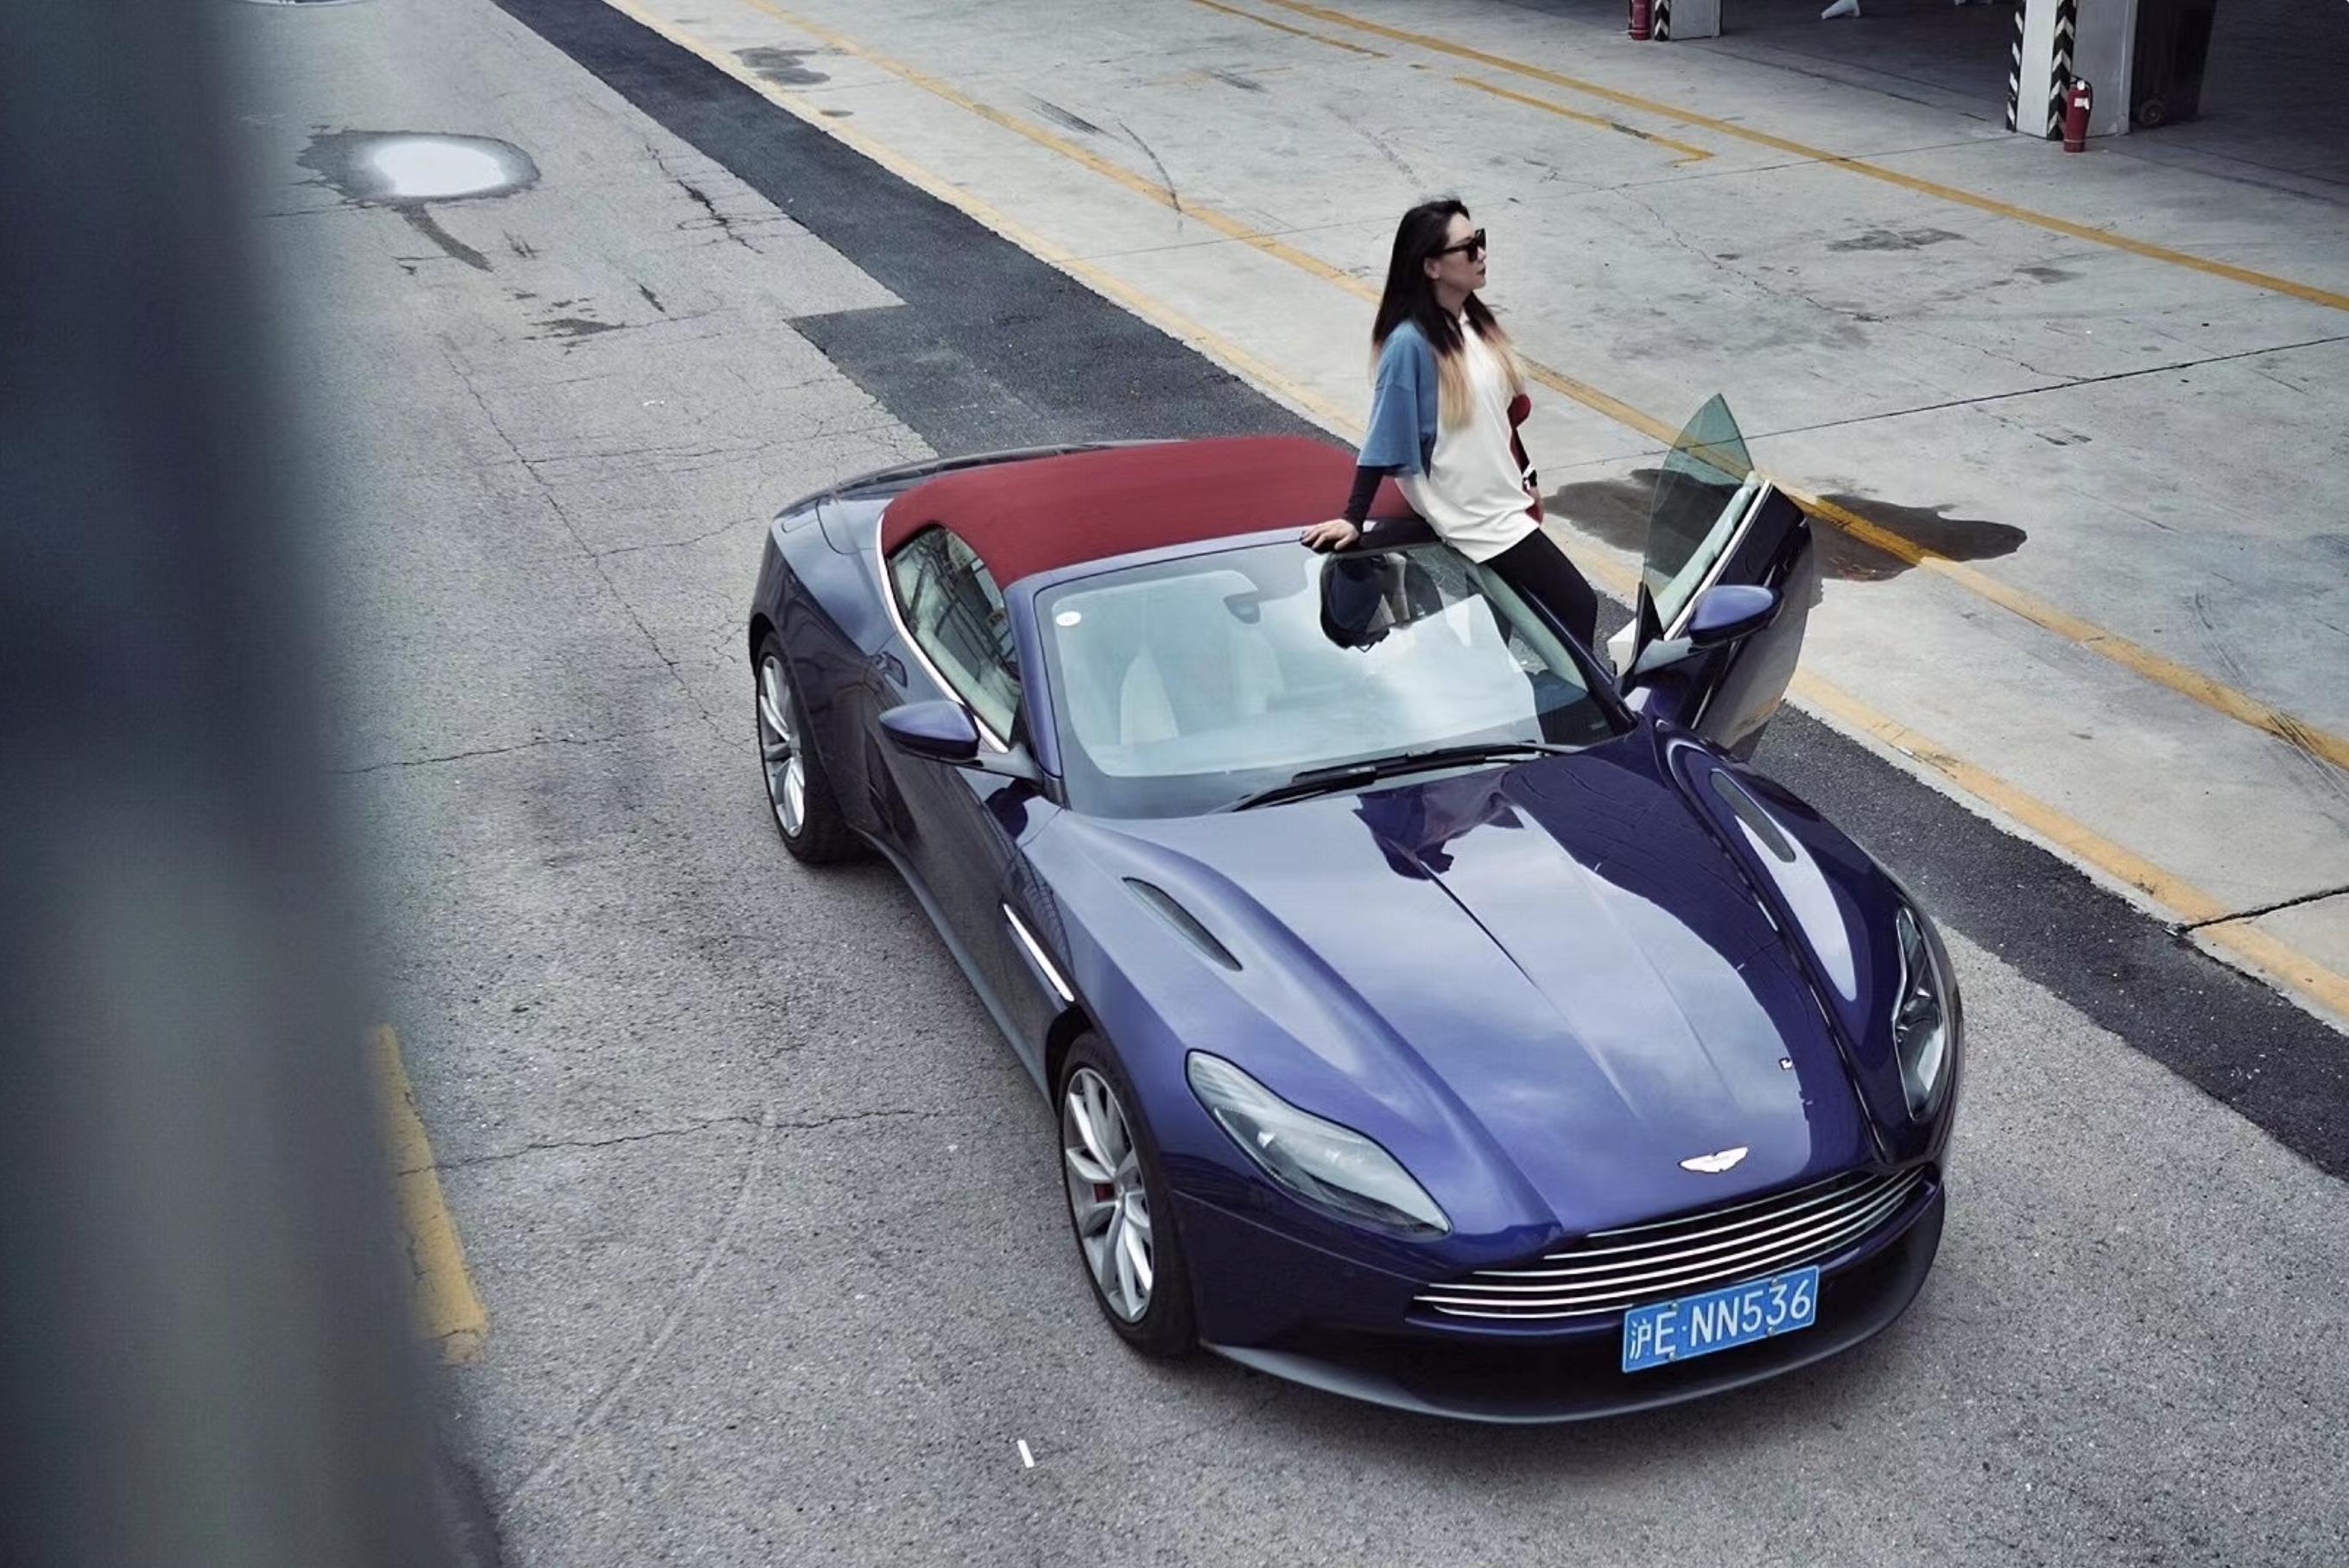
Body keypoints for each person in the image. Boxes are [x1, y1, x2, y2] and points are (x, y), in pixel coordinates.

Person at [1301, 199, 1599, 651]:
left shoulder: (1475, 323)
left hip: (1504, 503)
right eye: (1468, 247)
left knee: (1495, 632)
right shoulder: (1409, 345)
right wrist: (1353, 518)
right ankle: (1573, 701)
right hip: (1475, 517)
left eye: (1481, 241)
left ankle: (1511, 692)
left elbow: (1501, 418)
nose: (1482, 254)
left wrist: (1528, 477)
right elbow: (1384, 435)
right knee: (1577, 605)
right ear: (1431, 266)